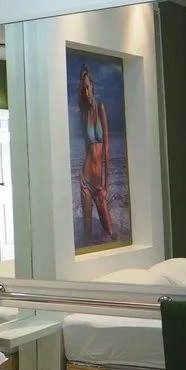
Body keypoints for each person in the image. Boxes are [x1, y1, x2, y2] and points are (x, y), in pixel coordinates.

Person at [77, 64, 116, 243]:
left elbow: (106, 149)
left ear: (92, 85)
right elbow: (88, 149)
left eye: (88, 87)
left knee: (111, 233)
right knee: (87, 233)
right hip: (86, 181)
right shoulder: (83, 115)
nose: (86, 91)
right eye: (83, 88)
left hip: (99, 184)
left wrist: (106, 185)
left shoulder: (101, 109)